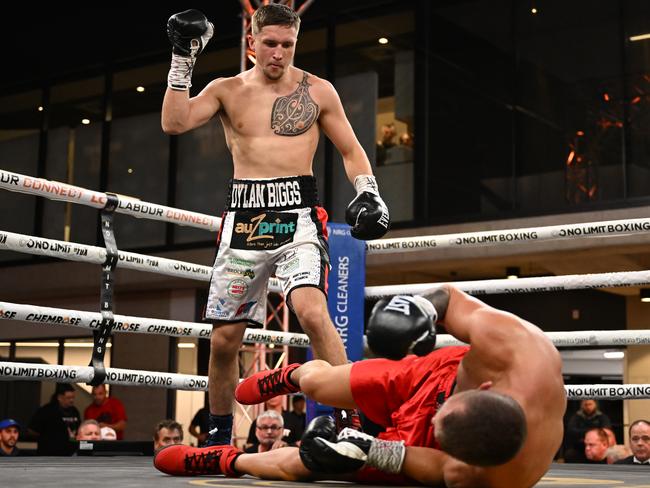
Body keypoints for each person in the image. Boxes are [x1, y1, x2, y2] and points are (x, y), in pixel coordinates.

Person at [162, 4, 390, 447]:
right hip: (244, 220)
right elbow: (174, 123)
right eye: (270, 43)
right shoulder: (226, 89)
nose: (278, 53)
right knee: (226, 339)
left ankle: (350, 420)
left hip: (298, 217)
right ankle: (218, 434)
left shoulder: (318, 91)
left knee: (311, 311)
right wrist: (181, 60)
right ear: (252, 41)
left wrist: (369, 190)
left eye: (287, 44)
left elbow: (351, 149)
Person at [155, 285, 567, 488]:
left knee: (313, 464)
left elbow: (441, 466)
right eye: (445, 412)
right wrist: (418, 310)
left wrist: (369, 449)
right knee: (323, 383)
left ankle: (223, 459)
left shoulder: (489, 474)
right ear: (486, 387)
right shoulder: (520, 348)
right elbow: (450, 298)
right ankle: (296, 376)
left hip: (425, 447)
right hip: (438, 372)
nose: (422, 412)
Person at [28, 383, 80, 456]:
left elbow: (78, 431)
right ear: (59, 397)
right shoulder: (46, 411)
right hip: (49, 454)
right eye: (68, 398)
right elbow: (31, 430)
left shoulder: (75, 411)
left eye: (73, 397)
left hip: (70, 455)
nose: (72, 400)